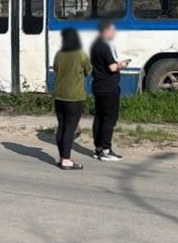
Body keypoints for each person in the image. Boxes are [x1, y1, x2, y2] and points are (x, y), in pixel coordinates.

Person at [91, 19, 130, 161]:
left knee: (99, 117)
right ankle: (107, 150)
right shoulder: (104, 46)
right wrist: (122, 65)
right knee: (109, 118)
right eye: (112, 30)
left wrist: (114, 63)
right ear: (105, 31)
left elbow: (103, 63)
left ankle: (98, 148)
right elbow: (112, 68)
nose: (114, 33)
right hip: (109, 86)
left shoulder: (95, 45)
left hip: (98, 85)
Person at [52, 27, 90, 170]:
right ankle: (67, 160)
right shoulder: (81, 54)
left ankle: (62, 158)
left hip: (59, 95)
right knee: (70, 129)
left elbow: (56, 69)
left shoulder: (59, 54)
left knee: (61, 127)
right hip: (75, 97)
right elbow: (88, 70)